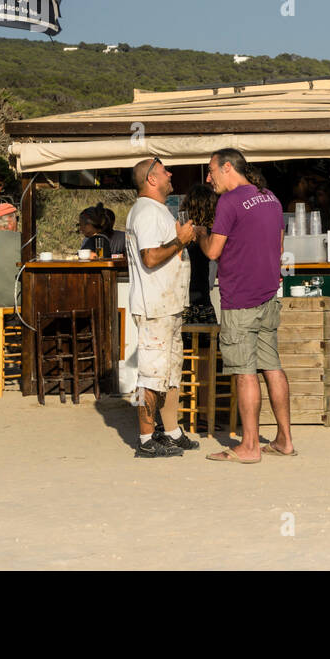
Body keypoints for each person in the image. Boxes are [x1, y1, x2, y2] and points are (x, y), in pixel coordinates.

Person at [197, 148, 296, 462]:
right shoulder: (271, 198)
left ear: (228, 167)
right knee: (272, 367)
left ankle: (250, 446)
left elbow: (213, 251)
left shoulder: (229, 201)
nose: (208, 178)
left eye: (212, 170)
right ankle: (284, 439)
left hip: (240, 299)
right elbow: (279, 246)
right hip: (269, 295)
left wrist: (200, 234)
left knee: (244, 372)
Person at [125, 157, 199, 458]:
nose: (170, 174)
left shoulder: (155, 210)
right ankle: (145, 439)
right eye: (164, 171)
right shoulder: (145, 212)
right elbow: (150, 257)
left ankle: (170, 430)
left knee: (168, 373)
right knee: (150, 375)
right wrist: (180, 242)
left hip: (167, 306)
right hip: (155, 306)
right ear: (151, 180)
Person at [182, 183, 219, 324]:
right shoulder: (212, 235)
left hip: (181, 300)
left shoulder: (181, 234)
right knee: (207, 344)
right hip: (203, 300)